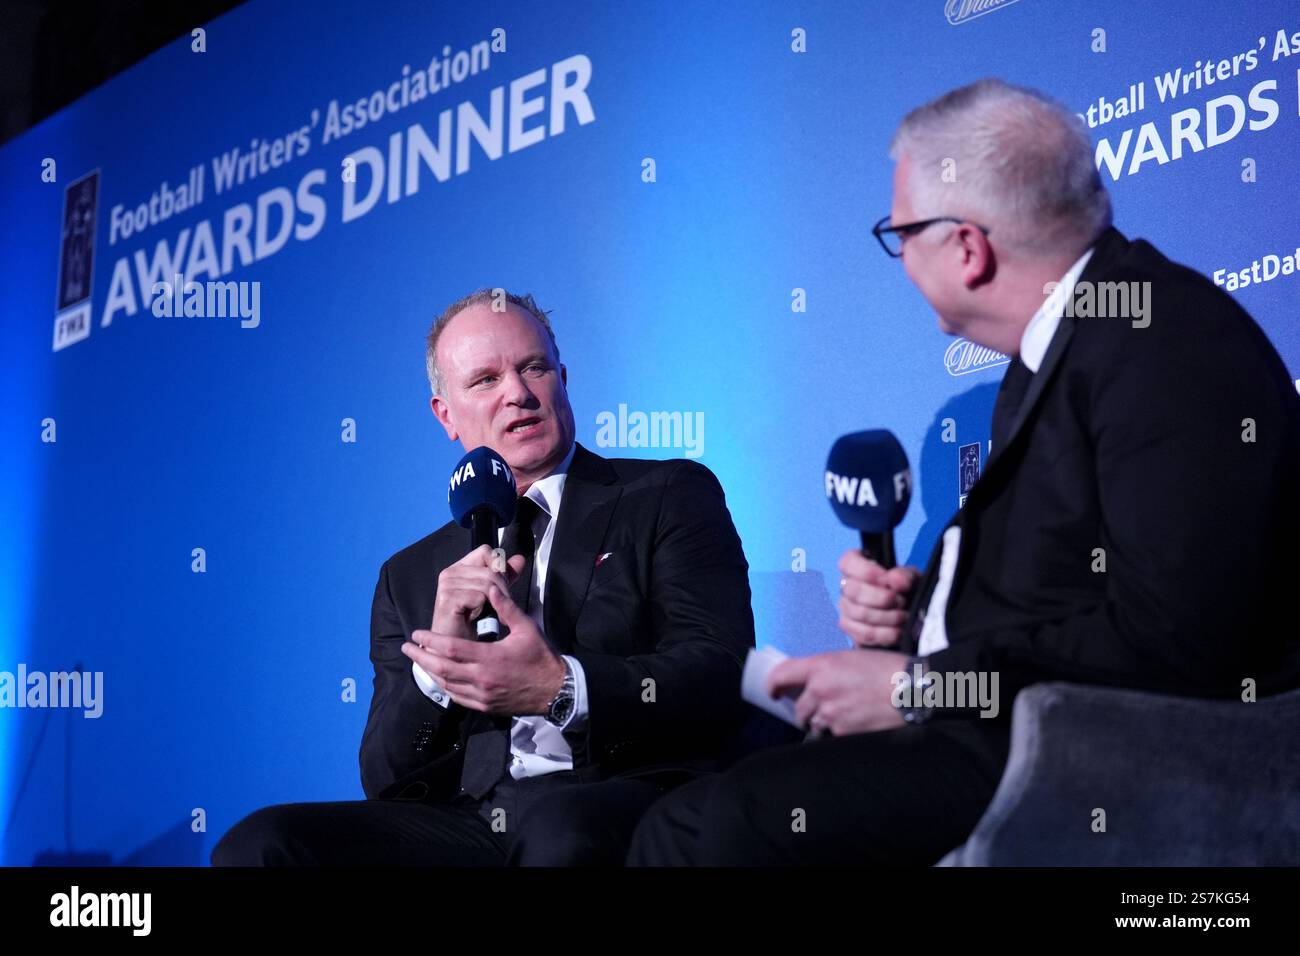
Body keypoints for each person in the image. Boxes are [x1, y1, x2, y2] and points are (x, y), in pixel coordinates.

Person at [627, 78, 1300, 866]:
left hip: (1100, 765)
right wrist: (925, 617)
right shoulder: (1058, 354)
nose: (900, 258)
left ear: (968, 248)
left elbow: (1177, 638)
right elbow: (1077, 595)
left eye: (900, 233)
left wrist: (921, 685)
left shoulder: (1164, 343)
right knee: (661, 800)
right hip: (1011, 733)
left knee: (699, 830)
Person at [212, 288, 754, 865]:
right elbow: (388, 777)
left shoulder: (665, 494)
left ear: (563, 379)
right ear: (446, 415)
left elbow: (719, 670)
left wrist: (561, 688)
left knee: (560, 835)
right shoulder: (411, 575)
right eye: (485, 380)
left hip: (622, 791)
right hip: (472, 822)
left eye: (534, 368)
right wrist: (437, 667)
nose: (517, 394)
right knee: (262, 845)